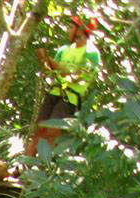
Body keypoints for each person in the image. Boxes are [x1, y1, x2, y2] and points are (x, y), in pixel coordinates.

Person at [25, 13, 101, 158]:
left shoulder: (91, 53)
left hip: (69, 97)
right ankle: (24, 165)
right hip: (54, 92)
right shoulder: (64, 49)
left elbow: (74, 76)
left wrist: (51, 62)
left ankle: (41, 167)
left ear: (81, 30)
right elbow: (52, 71)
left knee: (52, 131)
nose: (68, 29)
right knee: (39, 129)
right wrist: (44, 61)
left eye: (71, 26)